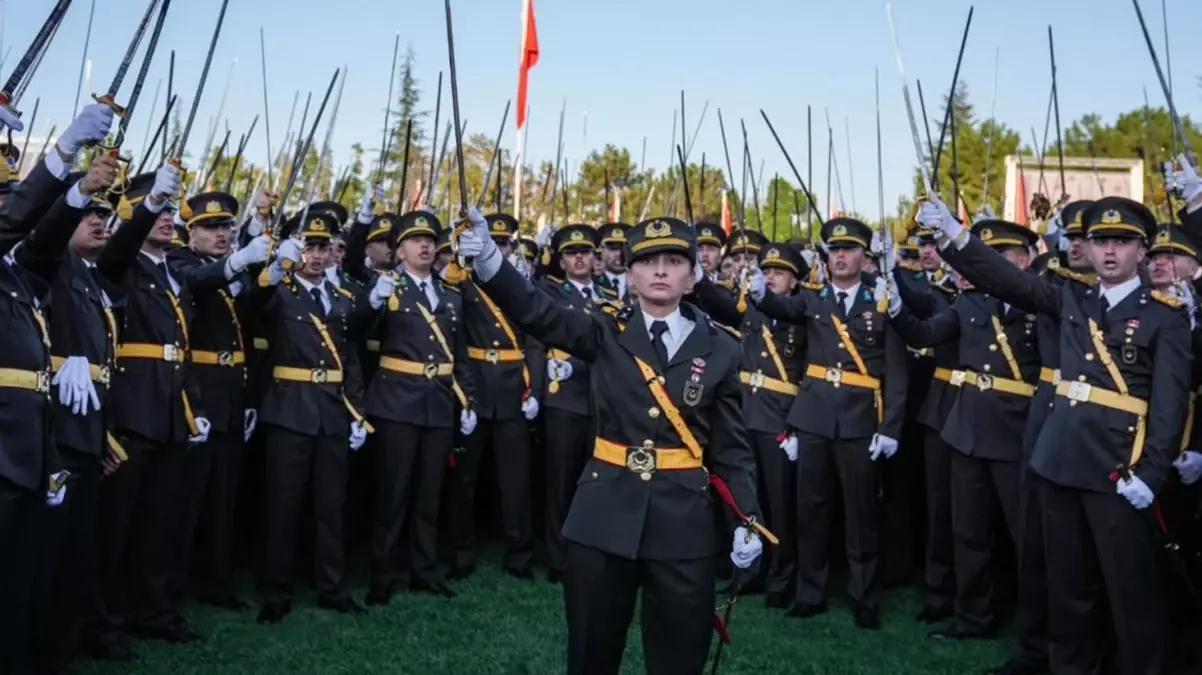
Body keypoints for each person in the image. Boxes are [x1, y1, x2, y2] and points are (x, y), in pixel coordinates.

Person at [457, 211, 763, 675]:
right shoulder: (603, 329)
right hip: (603, 516)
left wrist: (747, 516)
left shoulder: (721, 347)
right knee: (590, 655)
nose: (660, 270)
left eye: (673, 260)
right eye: (648, 261)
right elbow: (537, 311)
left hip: (683, 523)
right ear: (630, 273)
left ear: (693, 274)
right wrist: (489, 263)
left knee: (680, 658)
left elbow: (732, 449)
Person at [921, 193, 1191, 675]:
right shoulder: (1070, 295)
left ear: (1142, 252)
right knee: (1068, 587)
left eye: (1122, 243)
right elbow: (1005, 279)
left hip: (1118, 468)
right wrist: (954, 236)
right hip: (1060, 460)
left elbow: (1168, 406)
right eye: (1100, 241)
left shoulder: (1164, 316)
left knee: (1130, 589)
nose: (1109, 252)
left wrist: (1151, 472)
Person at [747, 217, 907, 629]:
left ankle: (864, 596)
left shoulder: (881, 300)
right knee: (811, 511)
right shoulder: (814, 299)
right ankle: (810, 591)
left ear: (863, 257)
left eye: (849, 249)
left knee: (860, 515)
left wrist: (890, 428)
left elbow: (896, 371)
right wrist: (759, 292)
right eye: (834, 250)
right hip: (814, 417)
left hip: (858, 420)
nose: (840, 256)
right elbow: (781, 306)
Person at [887, 218, 1042, 640]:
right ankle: (973, 616)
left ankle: (1035, 630)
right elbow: (927, 332)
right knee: (967, 531)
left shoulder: (1040, 303)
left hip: (1018, 431)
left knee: (1027, 536)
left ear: (1024, 261)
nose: (987, 268)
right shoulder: (969, 303)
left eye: (1001, 258)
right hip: (967, 429)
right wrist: (896, 305)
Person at [0, 104, 112, 675]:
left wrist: (76, 191)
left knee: (18, 588)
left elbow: (37, 239)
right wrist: (64, 153)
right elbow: (20, 224)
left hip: (26, 453)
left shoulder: (16, 276)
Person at [94, 160, 212, 649]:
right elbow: (120, 245)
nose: (166, 218)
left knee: (161, 522)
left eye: (168, 210)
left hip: (169, 410)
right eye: (153, 210)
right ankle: (105, 622)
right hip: (132, 410)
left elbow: (182, 346)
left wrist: (193, 405)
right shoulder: (119, 262)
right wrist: (148, 206)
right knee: (117, 525)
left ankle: (155, 610)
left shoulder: (172, 273)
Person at [18, 154, 126, 670]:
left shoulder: (84, 275)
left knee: (72, 552)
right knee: (43, 559)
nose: (99, 222)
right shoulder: (49, 266)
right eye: (89, 214)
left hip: (77, 430)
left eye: (105, 215)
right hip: (47, 432)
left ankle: (62, 644)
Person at [251, 210, 370, 624]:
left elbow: (350, 358)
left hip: (331, 413)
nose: (316, 257)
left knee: (330, 506)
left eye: (323, 248)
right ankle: (276, 591)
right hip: (289, 408)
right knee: (283, 506)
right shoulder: (279, 292)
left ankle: (331, 586)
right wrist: (274, 264)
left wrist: (357, 410)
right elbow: (253, 301)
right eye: (308, 248)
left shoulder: (341, 300)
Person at [362, 210, 477, 604]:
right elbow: (357, 330)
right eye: (415, 240)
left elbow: (459, 354)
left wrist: (468, 399)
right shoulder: (387, 289)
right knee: (392, 494)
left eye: (430, 240)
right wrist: (373, 301)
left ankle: (423, 569)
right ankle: (383, 573)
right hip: (396, 401)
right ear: (399, 251)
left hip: (439, 403)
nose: (426, 246)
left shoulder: (450, 294)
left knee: (430, 494)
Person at [166, 191, 269, 611]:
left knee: (222, 500)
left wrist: (270, 270)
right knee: (185, 501)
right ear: (190, 234)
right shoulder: (180, 262)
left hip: (229, 392)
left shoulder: (228, 272)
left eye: (227, 226)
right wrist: (239, 262)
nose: (222, 234)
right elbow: (200, 281)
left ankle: (216, 582)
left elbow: (250, 313)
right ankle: (171, 587)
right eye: (211, 228)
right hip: (198, 394)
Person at [694, 242, 808, 609]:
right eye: (767, 271)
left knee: (780, 505)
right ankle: (747, 572)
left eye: (779, 273)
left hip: (780, 417)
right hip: (746, 413)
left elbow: (811, 374)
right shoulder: (752, 308)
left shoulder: (805, 315)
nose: (770, 277)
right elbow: (720, 307)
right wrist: (697, 276)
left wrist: (797, 424)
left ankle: (781, 578)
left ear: (794, 282)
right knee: (745, 501)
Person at [446, 212, 542, 581]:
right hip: (476, 386)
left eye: (504, 244)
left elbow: (534, 338)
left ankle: (519, 554)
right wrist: (464, 393)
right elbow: (453, 338)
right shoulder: (463, 282)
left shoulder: (517, 285)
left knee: (515, 480)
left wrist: (534, 391)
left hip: (513, 389)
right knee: (465, 479)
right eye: (494, 243)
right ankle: (461, 552)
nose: (499, 249)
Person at [535, 224, 617, 583]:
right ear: (561, 261)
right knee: (559, 484)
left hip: (600, 399)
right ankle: (558, 557)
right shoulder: (551, 293)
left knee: (596, 484)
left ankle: (590, 553)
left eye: (585, 251)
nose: (580, 258)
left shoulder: (610, 293)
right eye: (571, 253)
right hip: (564, 399)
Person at [596, 222, 631, 301]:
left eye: (623, 249)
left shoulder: (639, 283)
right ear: (602, 252)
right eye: (613, 249)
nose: (618, 254)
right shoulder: (591, 283)